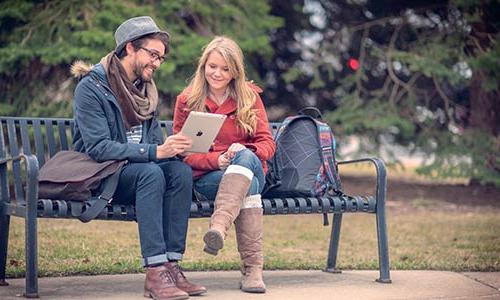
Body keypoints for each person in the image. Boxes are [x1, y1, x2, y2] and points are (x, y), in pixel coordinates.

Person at [71, 16, 206, 300]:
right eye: (153, 55)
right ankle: (155, 272)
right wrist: (155, 152)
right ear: (130, 47)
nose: (157, 63)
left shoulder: (145, 92)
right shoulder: (91, 88)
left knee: (179, 172)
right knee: (151, 172)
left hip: (139, 175)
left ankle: (170, 265)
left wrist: (172, 148)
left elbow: (154, 143)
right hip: (103, 175)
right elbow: (97, 147)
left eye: (161, 58)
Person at [173, 36, 276, 293]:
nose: (217, 73)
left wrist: (245, 150)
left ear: (235, 71)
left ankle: (218, 227)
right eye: (212, 66)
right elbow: (183, 154)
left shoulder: (249, 97)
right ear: (203, 66)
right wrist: (216, 160)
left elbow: (267, 144)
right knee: (247, 187)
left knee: (246, 161)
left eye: (225, 68)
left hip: (250, 167)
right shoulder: (187, 101)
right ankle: (253, 270)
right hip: (210, 177)